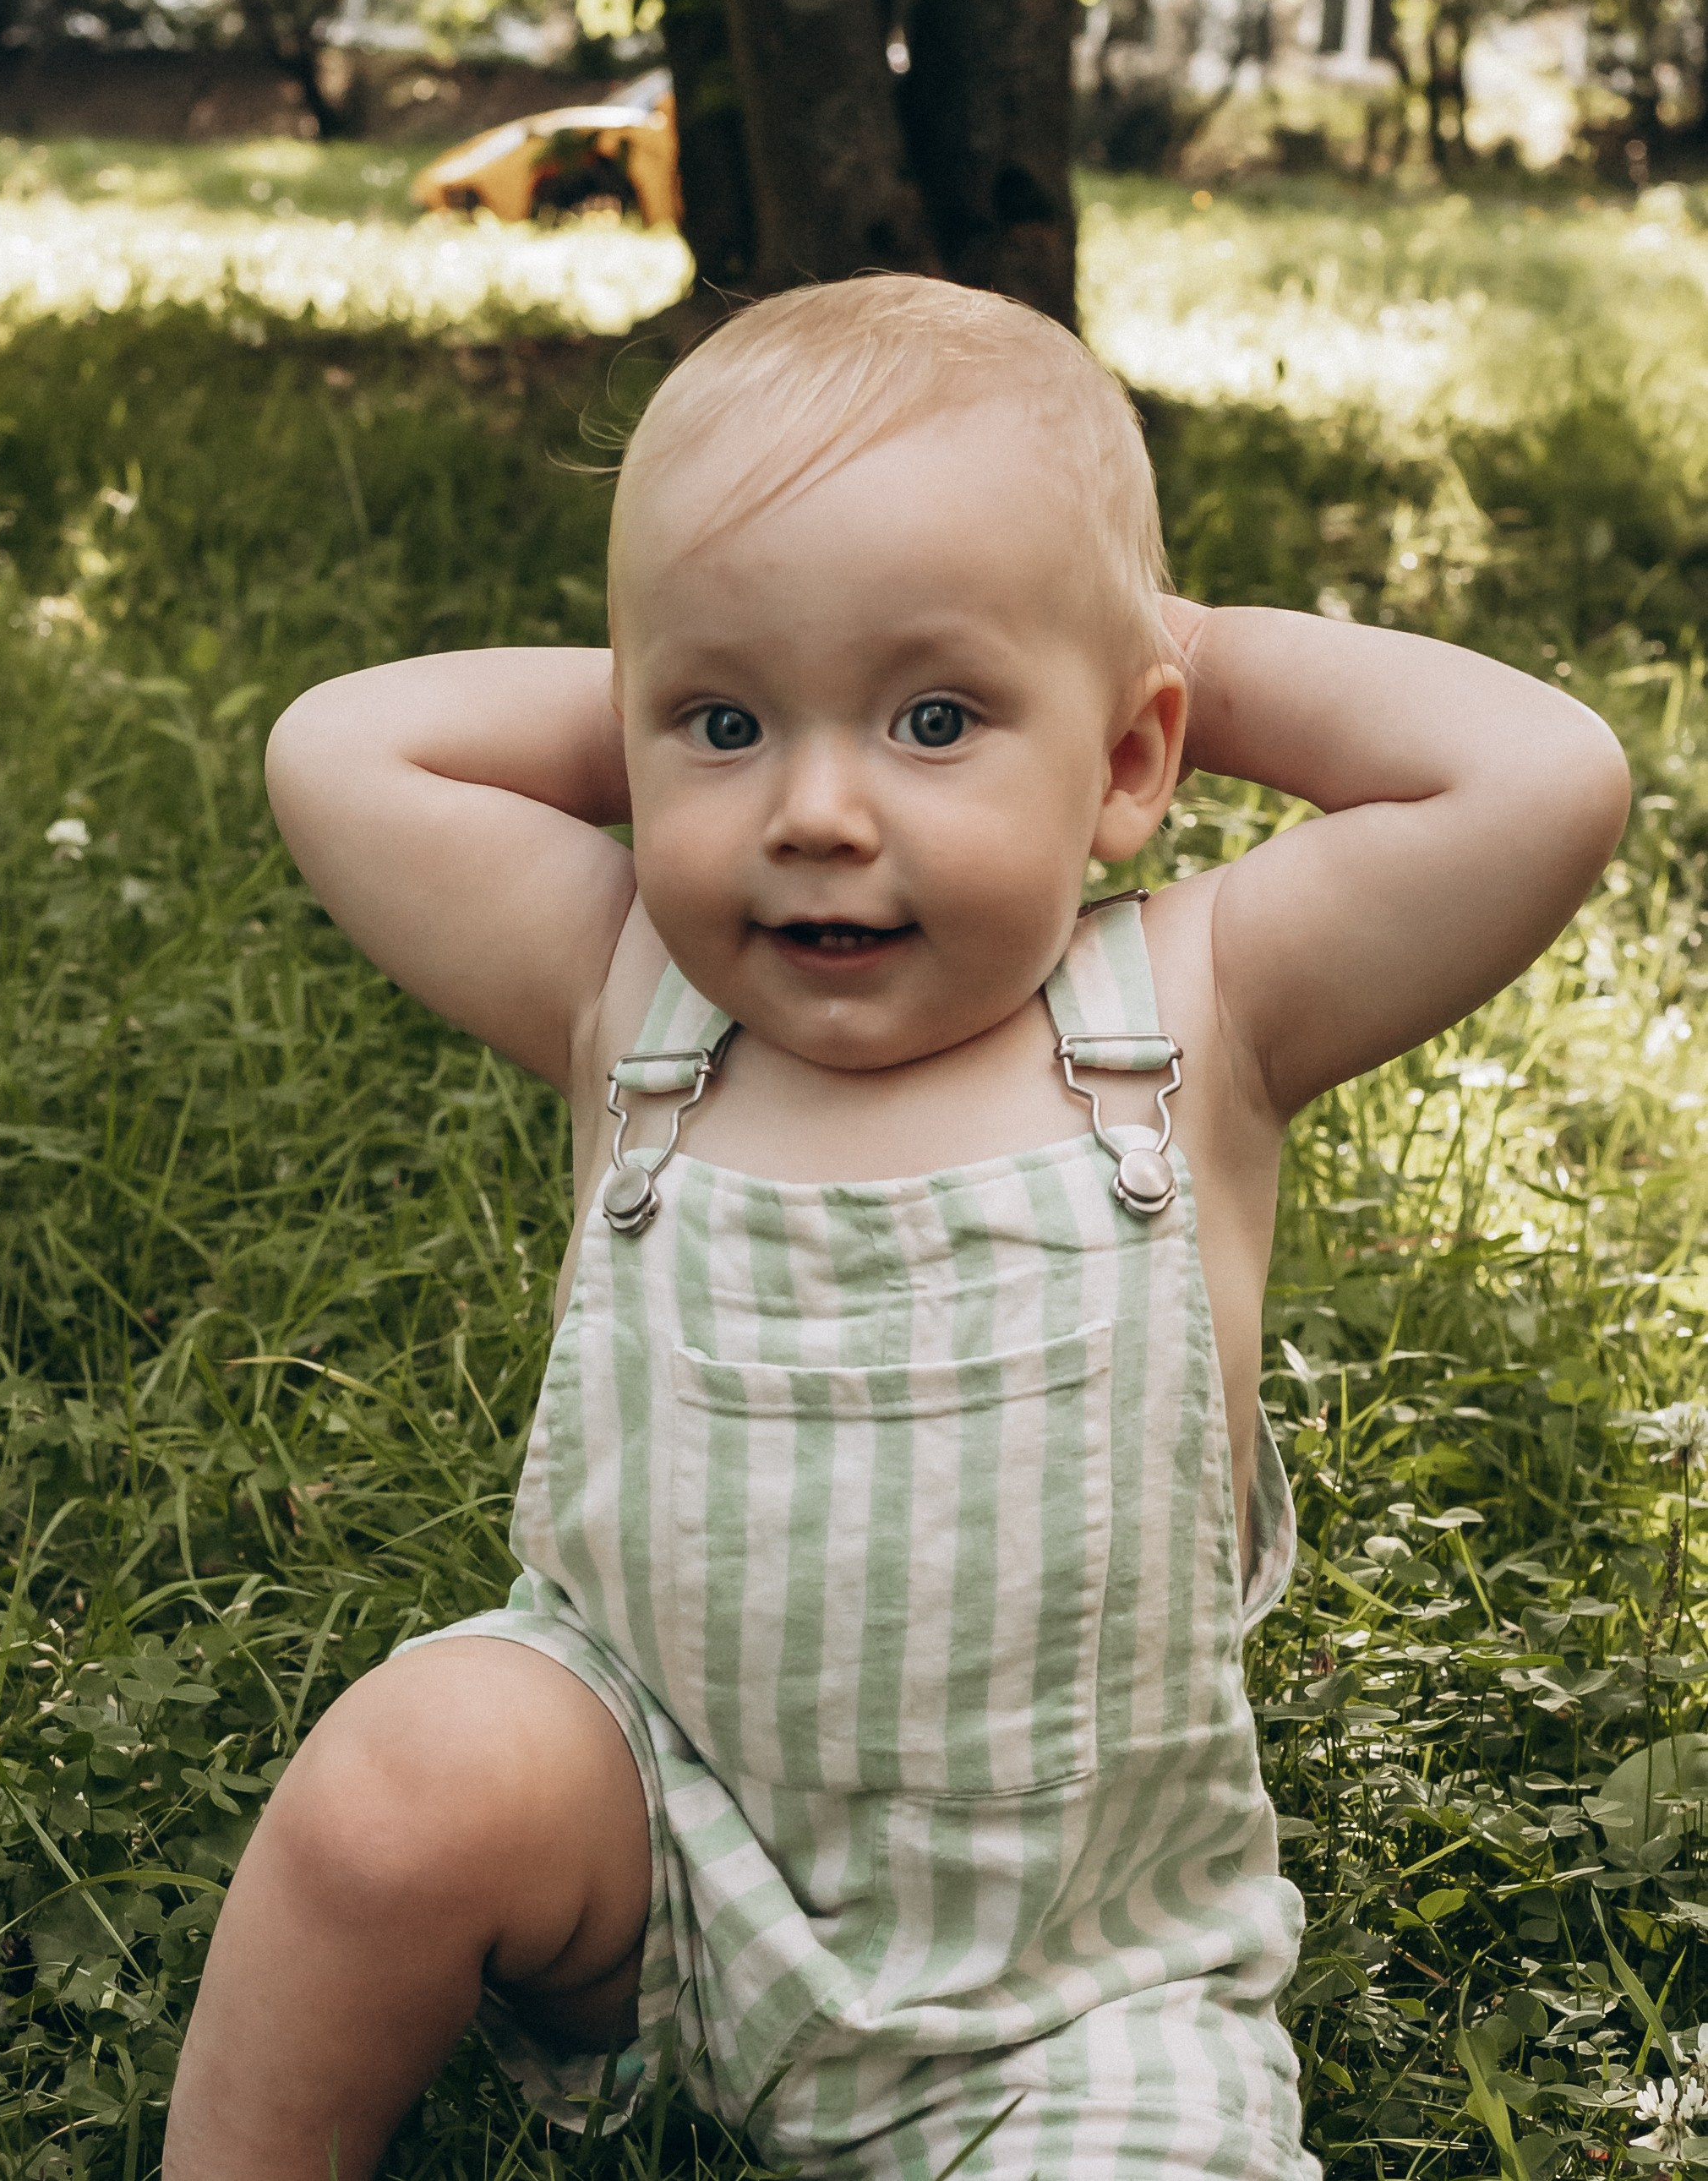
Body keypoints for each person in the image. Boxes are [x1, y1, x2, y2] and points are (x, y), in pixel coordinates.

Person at [164, 275, 1629, 2181]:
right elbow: (339, 749)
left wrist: (1135, 642)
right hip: (666, 1859)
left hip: (1071, 1985)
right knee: (401, 1780)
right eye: (728, 724)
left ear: (1124, 763)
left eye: (933, 716)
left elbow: (1543, 776)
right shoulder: (629, 995)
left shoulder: (1201, 1009)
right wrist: (687, 694)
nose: (820, 810)